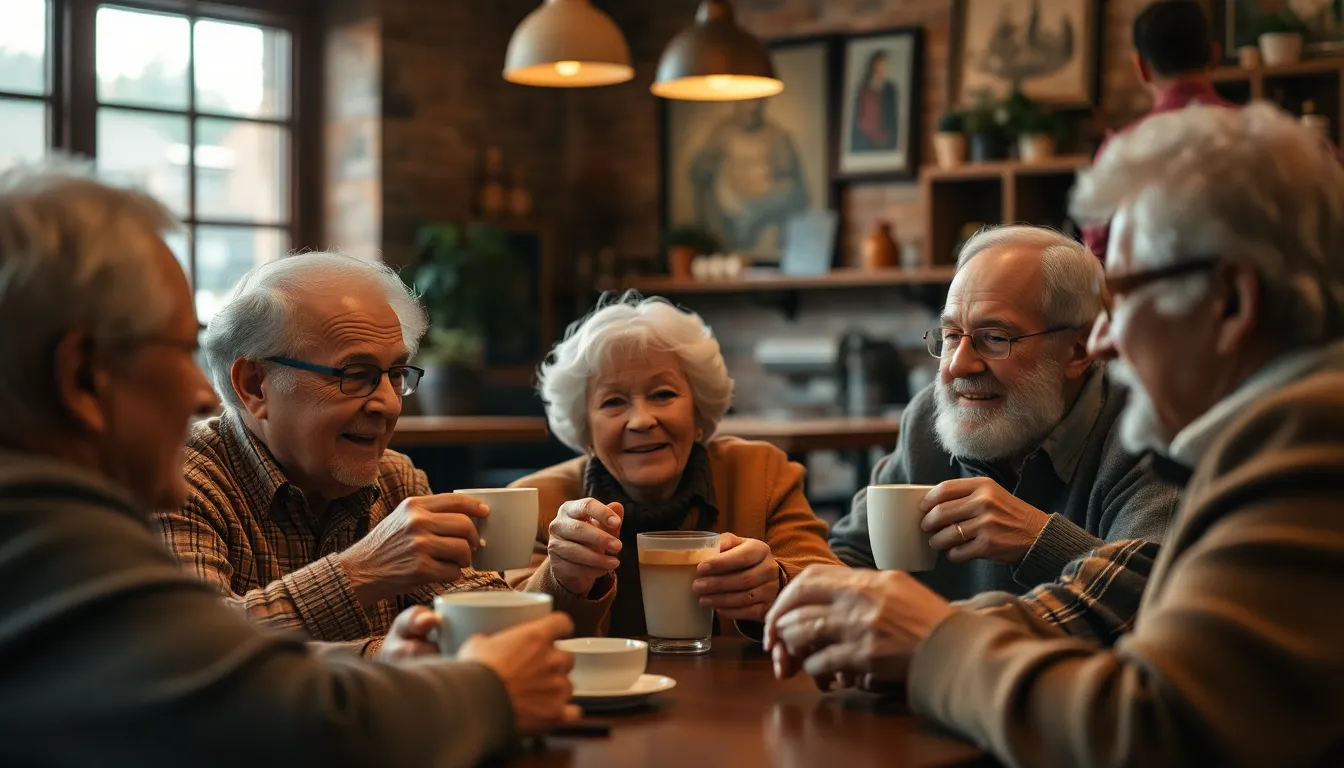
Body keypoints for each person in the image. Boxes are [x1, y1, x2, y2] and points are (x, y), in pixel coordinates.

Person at [765, 103, 1344, 766]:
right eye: (951, 336)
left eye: (1122, 298)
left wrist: (935, 646)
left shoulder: (1312, 440)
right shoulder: (1263, 434)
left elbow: (1150, 727)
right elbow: (1119, 600)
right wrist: (874, 619)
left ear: (1232, 303)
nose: (1103, 337)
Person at [0, 160, 579, 766]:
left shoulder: (55, 526)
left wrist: (382, 661)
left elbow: (208, 668)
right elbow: (241, 706)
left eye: (394, 374)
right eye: (176, 350)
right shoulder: (55, 542)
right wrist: (482, 691)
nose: (201, 393)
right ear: (81, 377)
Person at [151, 251, 559, 655]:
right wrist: (363, 572)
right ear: (255, 385)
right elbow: (189, 646)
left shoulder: (397, 478)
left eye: (396, 375)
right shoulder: (176, 480)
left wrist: (565, 576)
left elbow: (473, 615)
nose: (388, 403)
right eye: (356, 375)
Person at [828, 225, 1179, 600]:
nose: (958, 366)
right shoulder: (927, 418)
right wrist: (782, 578)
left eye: (994, 338)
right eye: (951, 336)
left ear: (1078, 352)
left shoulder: (1147, 433)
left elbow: (1164, 600)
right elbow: (849, 555)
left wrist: (1038, 540)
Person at [506, 293, 842, 638]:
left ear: (698, 410)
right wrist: (561, 579)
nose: (641, 420)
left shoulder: (762, 474)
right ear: (585, 429)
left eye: (663, 394)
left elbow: (836, 589)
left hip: (733, 692)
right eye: (613, 401)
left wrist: (778, 583)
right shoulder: (533, 502)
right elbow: (508, 636)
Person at [1082, 0, 1231, 261]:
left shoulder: (1122, 151)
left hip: (1153, 300)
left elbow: (1097, 258)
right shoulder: (1265, 136)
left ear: (1140, 66)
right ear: (1214, 56)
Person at [689, 98, 810, 257]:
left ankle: (751, 223)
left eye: (757, 103)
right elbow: (698, 168)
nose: (751, 108)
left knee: (788, 190)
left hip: (765, 203)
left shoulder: (777, 135)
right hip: (729, 200)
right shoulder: (722, 132)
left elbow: (790, 180)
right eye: (746, 103)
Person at [850, 50, 900, 152]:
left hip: (884, 139)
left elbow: (893, 116)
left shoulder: (890, 89)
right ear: (874, 66)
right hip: (865, 139)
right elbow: (858, 117)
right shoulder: (863, 89)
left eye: (885, 65)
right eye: (880, 65)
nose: (883, 68)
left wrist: (890, 137)